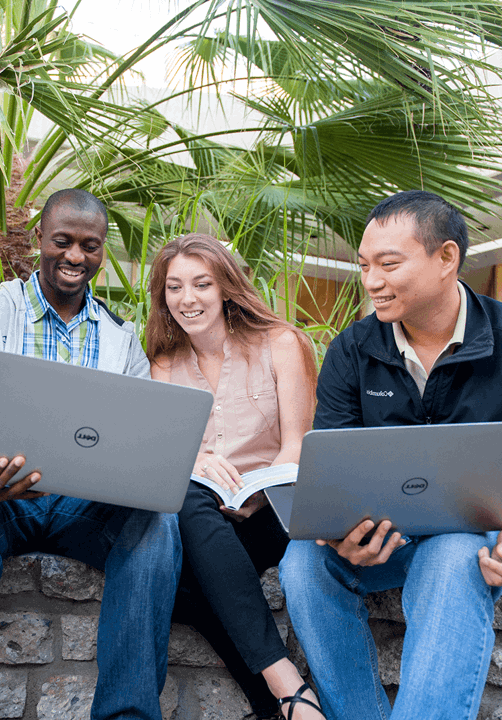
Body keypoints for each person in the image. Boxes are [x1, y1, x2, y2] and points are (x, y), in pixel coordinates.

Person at [0, 188, 181, 720]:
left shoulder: (122, 337)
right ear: (40, 238)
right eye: (62, 241)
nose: (75, 256)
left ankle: (128, 714)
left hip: (81, 503)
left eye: (90, 246)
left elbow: (137, 433)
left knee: (157, 524)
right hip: (3, 495)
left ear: (102, 251)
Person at [279, 190, 502, 720]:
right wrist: (342, 534)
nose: (371, 281)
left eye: (388, 264)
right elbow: (334, 467)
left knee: (453, 557)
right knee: (302, 565)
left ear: (446, 258)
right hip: (382, 535)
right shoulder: (352, 349)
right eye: (363, 266)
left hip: (473, 537)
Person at [145, 234, 324, 720]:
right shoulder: (163, 362)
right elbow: (168, 453)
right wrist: (193, 462)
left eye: (202, 284)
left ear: (225, 286)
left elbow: (296, 447)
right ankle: (288, 695)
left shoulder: (281, 343)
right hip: (205, 515)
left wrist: (259, 494)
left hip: (274, 512)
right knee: (185, 493)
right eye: (175, 287)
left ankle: (280, 701)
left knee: (187, 588)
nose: (188, 299)